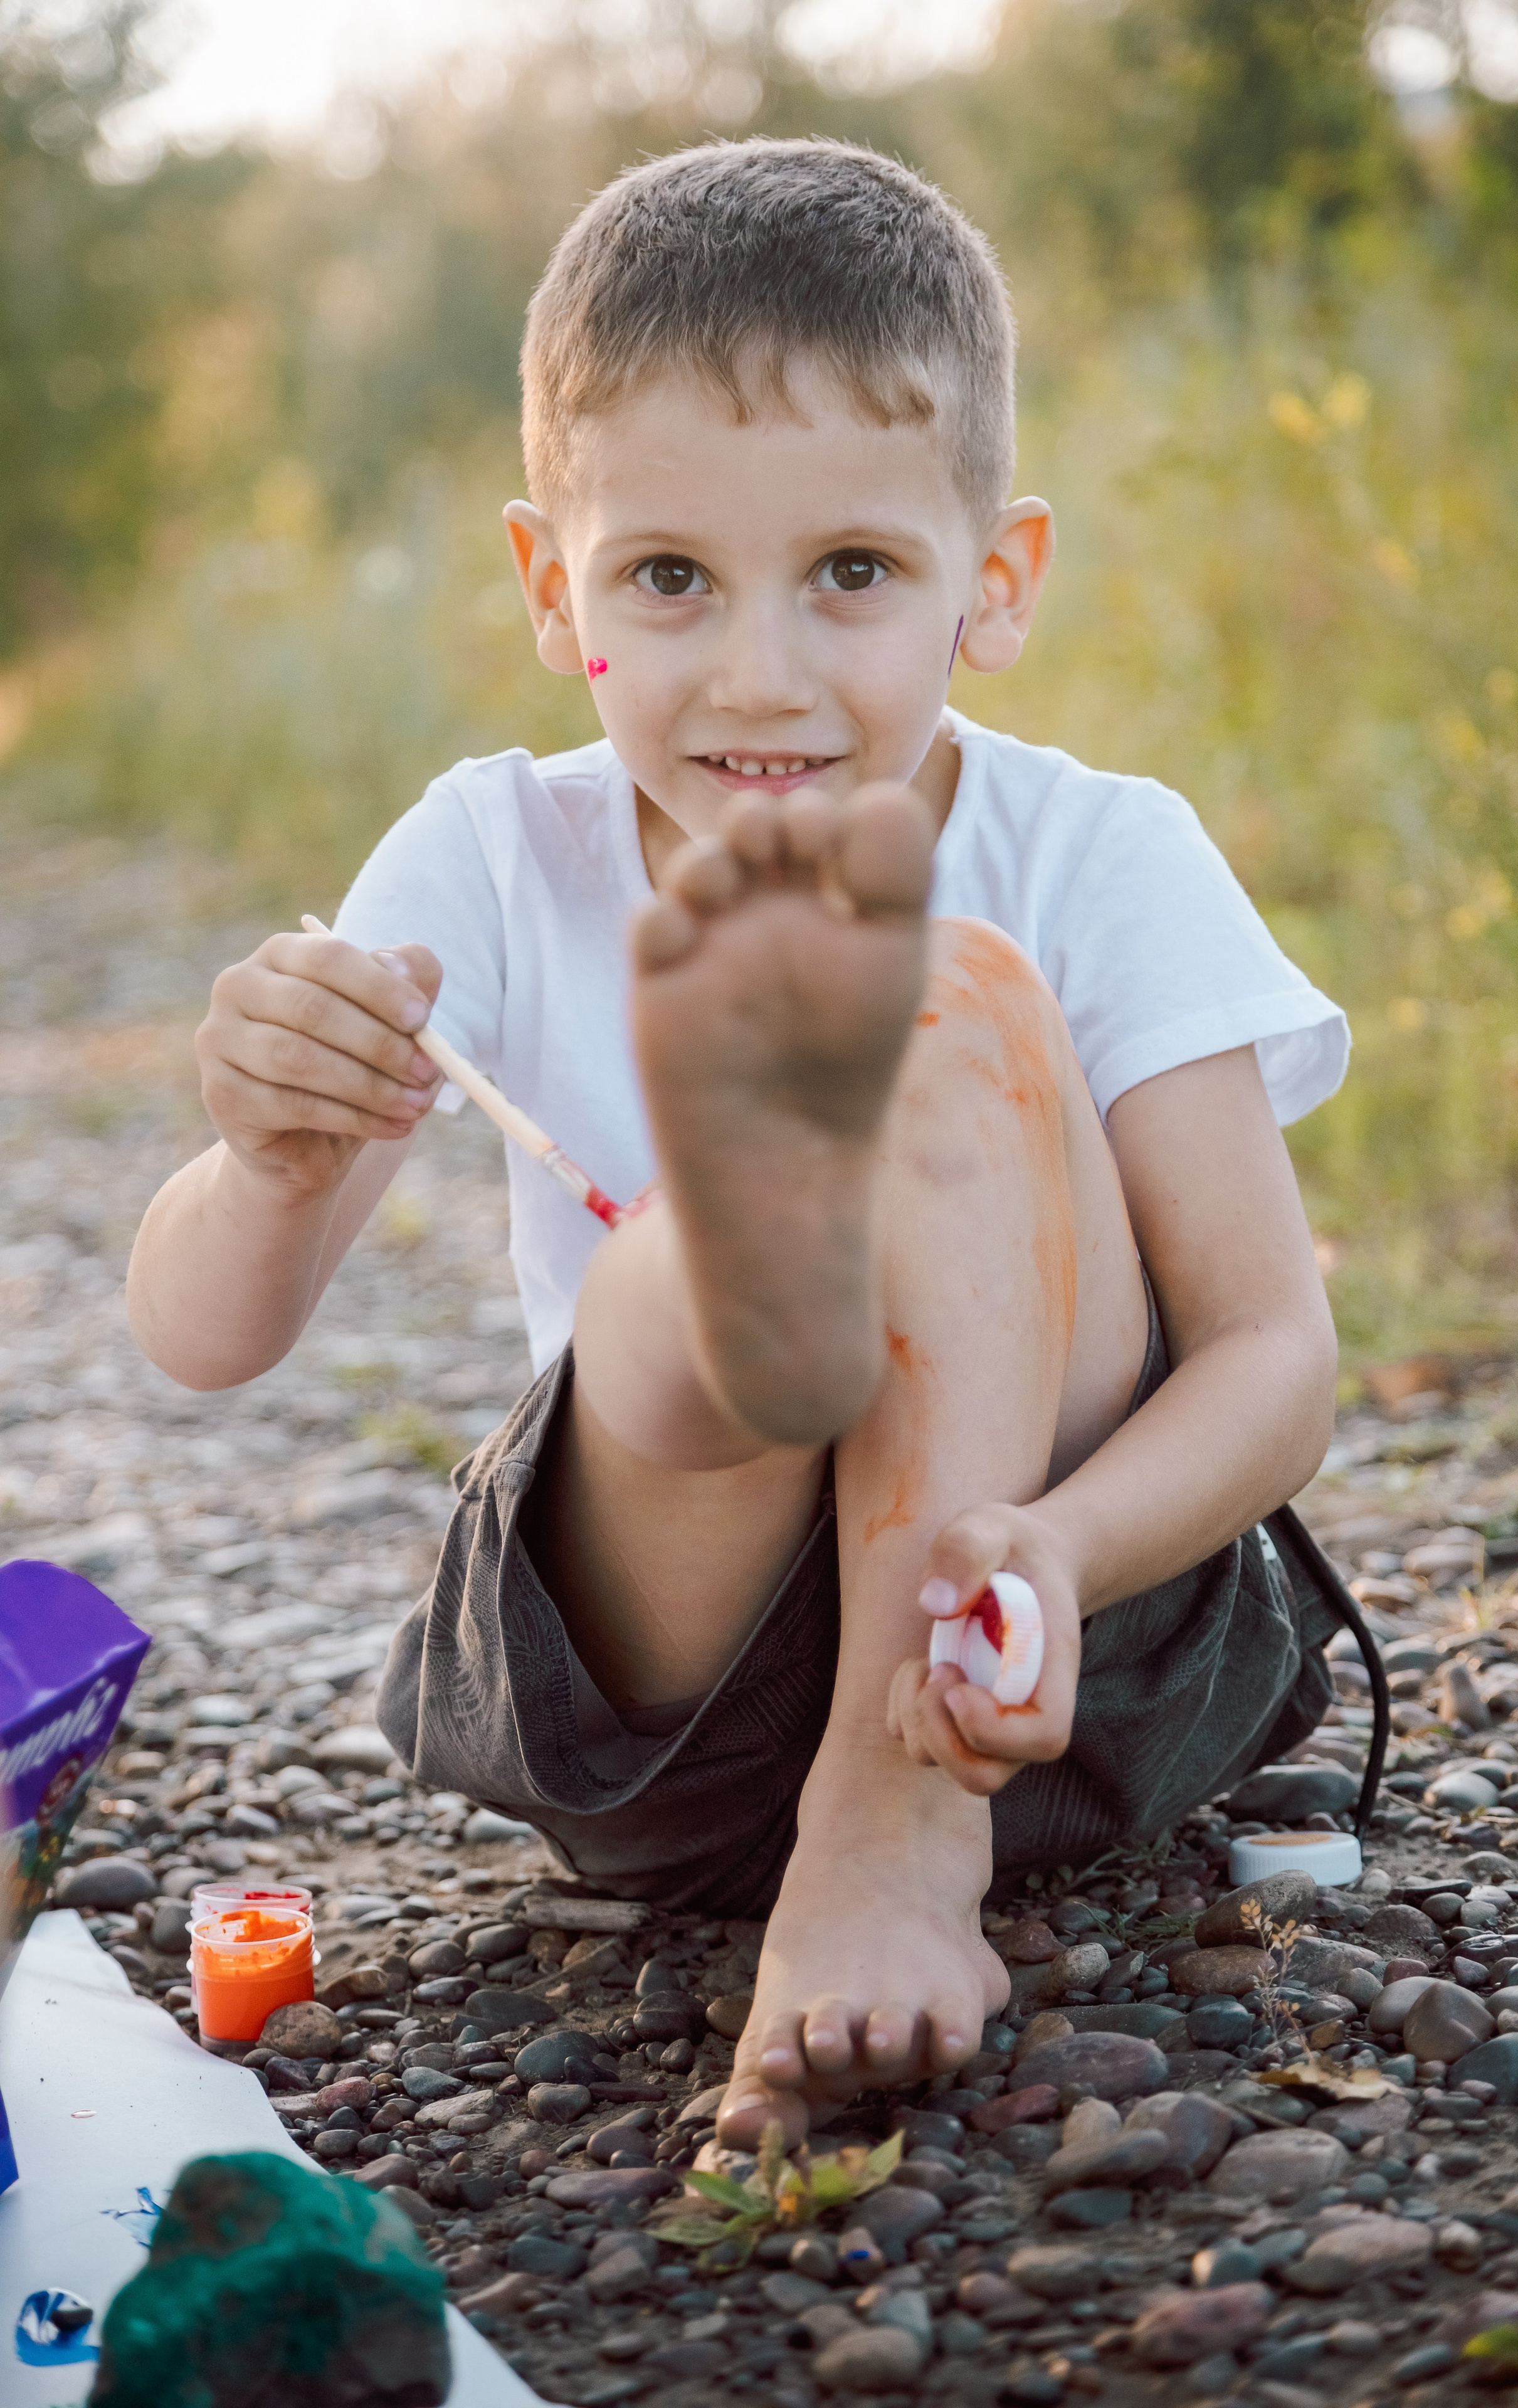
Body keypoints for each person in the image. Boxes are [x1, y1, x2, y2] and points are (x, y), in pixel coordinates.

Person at [128, 138, 1349, 2147]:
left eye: (853, 574)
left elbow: (1273, 1360)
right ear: (553, 587)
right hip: (671, 1695)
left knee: (942, 992)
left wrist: (1049, 1543)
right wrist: (264, 1156)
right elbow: (206, 1338)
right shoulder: (491, 861)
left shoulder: (1103, 854)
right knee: (684, 1277)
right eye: (669, 579)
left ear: (998, 582)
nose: (760, 675)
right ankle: (758, 1234)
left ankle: (893, 1830)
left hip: (1039, 1663)